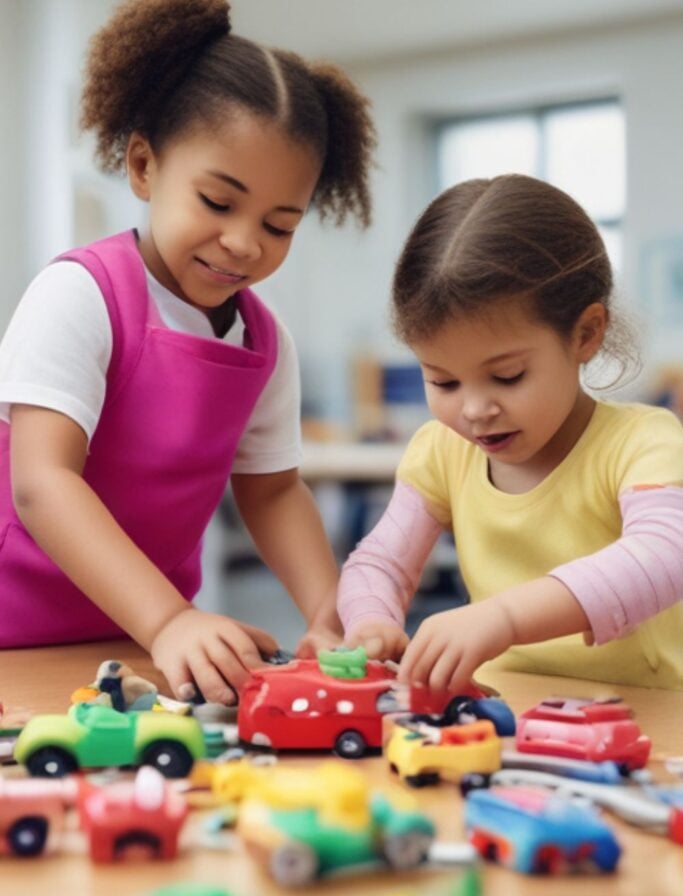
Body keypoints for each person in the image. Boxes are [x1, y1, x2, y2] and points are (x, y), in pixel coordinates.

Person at [0, 0, 376, 704]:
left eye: (278, 225)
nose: (244, 241)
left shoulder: (266, 341)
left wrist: (333, 614)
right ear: (143, 166)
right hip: (13, 634)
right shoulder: (79, 294)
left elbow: (270, 490)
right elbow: (42, 483)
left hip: (134, 643)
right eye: (217, 201)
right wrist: (169, 616)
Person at [338, 174, 683, 691]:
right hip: (508, 709)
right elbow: (380, 562)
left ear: (586, 334)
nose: (475, 409)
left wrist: (504, 617)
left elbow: (663, 555)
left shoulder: (642, 442)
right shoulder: (442, 449)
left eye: (507, 376)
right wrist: (371, 620)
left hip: (646, 715)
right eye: (443, 380)